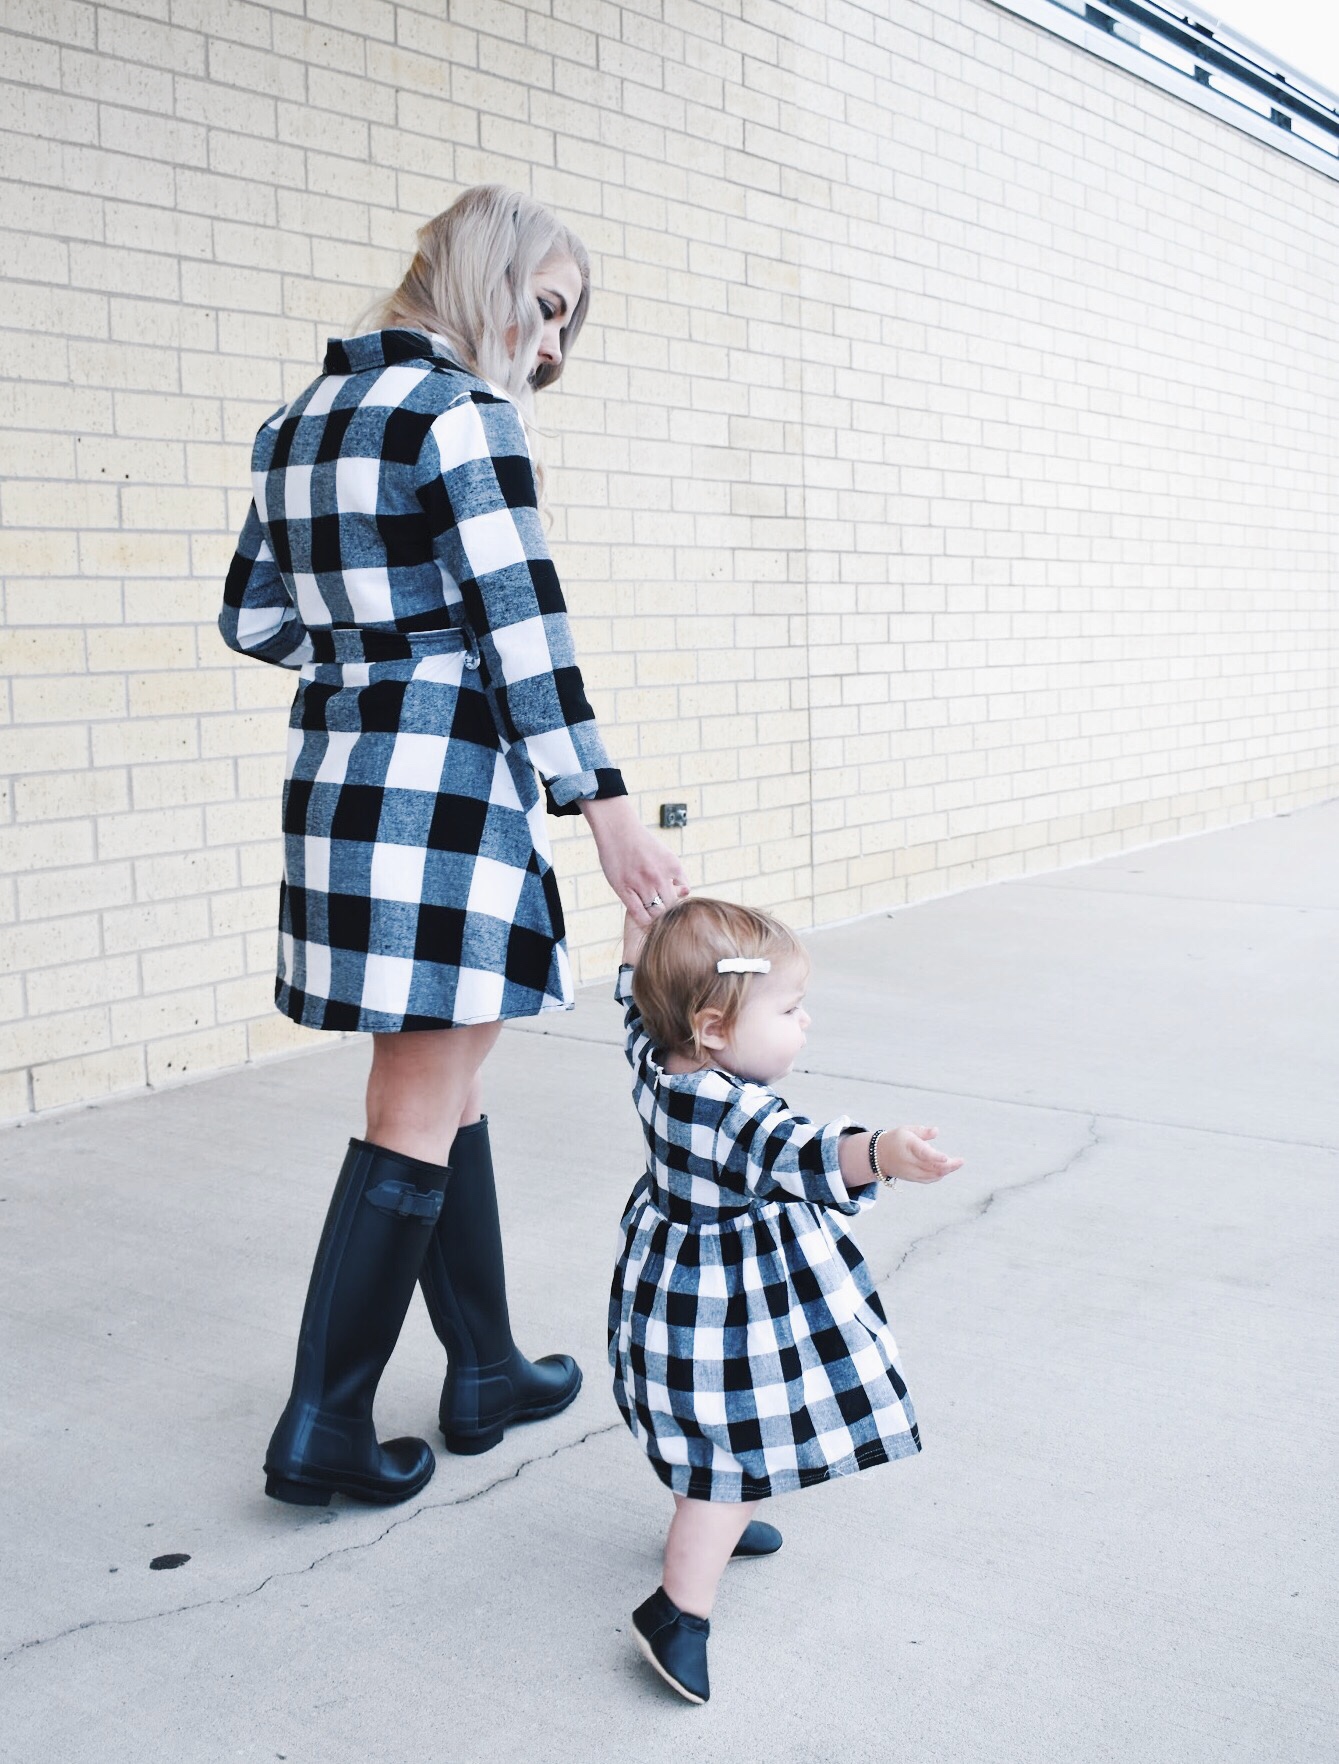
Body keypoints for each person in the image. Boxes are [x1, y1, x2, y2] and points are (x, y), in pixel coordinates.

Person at [219, 185, 686, 1508]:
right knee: (414, 1108)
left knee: (448, 1084)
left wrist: (375, 658)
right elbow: (519, 626)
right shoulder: (458, 419)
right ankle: (322, 1430)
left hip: (342, 784)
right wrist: (601, 804)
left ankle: (483, 1366)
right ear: (485, 272)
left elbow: (253, 618)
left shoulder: (297, 421)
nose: (547, 352)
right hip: (443, 801)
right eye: (547, 310)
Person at [609, 897, 963, 1703]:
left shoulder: (656, 1057)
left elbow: (632, 999)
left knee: (703, 1427)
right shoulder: (730, 1110)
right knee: (736, 1455)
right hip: (728, 1307)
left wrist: (640, 937)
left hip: (668, 1284)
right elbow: (804, 1151)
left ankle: (709, 1523)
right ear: (711, 1029)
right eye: (790, 1008)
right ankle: (676, 1612)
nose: (806, 1022)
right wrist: (883, 1153)